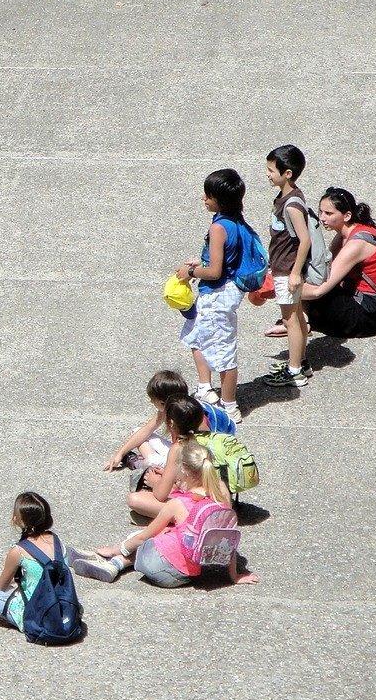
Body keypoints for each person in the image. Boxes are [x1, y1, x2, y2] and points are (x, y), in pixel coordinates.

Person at [69, 440, 259, 588]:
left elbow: (146, 536)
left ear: (183, 470)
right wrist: (234, 576)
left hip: (159, 570)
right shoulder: (222, 495)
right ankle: (112, 563)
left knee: (153, 534)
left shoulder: (177, 504)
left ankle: (114, 561)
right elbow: (228, 538)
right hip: (189, 575)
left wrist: (117, 548)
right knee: (174, 532)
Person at [175, 169, 251, 424]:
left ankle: (229, 406)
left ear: (220, 200)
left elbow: (215, 271)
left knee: (224, 350)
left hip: (217, 296)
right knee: (196, 334)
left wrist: (190, 271)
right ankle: (205, 387)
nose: (203, 199)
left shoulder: (219, 227)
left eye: (208, 196)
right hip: (224, 293)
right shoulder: (235, 222)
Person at [302, 188, 376, 337]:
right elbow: (323, 267)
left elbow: (319, 289)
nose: (322, 218)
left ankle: (302, 321)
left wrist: (284, 288)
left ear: (346, 216)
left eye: (329, 213)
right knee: (306, 275)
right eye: (320, 212)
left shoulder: (356, 244)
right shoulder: (350, 232)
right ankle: (303, 319)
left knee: (307, 286)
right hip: (372, 306)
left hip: (368, 316)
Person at [0, 492, 62, 632]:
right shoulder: (57, 542)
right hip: (59, 606)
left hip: (32, 613)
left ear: (17, 519)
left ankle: (6, 618)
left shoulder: (19, 551)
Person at [125, 395, 233, 521]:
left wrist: (155, 483)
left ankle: (189, 520)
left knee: (134, 499)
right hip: (220, 503)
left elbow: (160, 495)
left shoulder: (178, 448)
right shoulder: (208, 438)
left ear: (170, 423)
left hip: (199, 509)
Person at [260, 146, 314, 388]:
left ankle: (294, 372)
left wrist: (294, 273)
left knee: (289, 319)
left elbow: (305, 240)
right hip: (283, 269)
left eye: (272, 170)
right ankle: (301, 362)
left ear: (288, 173)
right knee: (297, 316)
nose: (268, 174)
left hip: (287, 271)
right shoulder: (286, 198)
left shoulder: (291, 205)